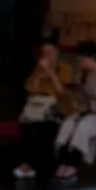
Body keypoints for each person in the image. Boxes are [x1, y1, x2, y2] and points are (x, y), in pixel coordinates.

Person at [54, 41, 96, 180]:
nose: (80, 63)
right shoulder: (83, 74)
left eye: (81, 60)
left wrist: (91, 105)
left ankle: (73, 163)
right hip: (85, 111)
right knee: (69, 123)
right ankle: (64, 160)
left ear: (91, 58)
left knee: (84, 126)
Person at [13, 36, 75, 182]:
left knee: (45, 129)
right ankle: (28, 165)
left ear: (57, 53)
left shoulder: (64, 68)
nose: (48, 56)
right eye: (45, 53)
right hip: (37, 107)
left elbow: (62, 92)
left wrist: (52, 74)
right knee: (27, 127)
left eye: (51, 52)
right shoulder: (37, 68)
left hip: (57, 108)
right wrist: (39, 75)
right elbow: (30, 88)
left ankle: (38, 165)